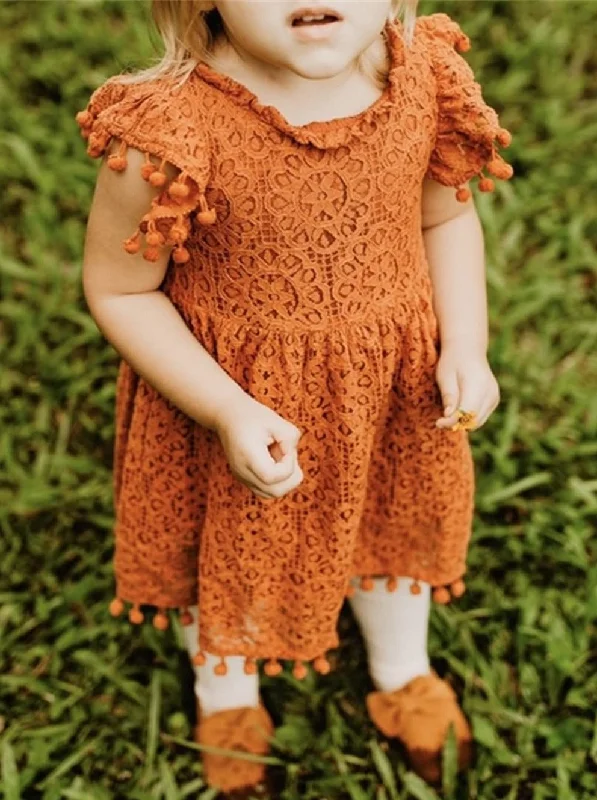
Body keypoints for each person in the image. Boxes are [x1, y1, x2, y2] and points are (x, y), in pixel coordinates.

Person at [75, 0, 513, 793]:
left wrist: (466, 344)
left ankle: (401, 667)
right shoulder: (170, 130)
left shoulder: (419, 78)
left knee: (388, 519)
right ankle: (226, 690)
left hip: (387, 389)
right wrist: (226, 409)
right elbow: (120, 291)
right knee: (227, 544)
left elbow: (445, 221)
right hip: (232, 397)